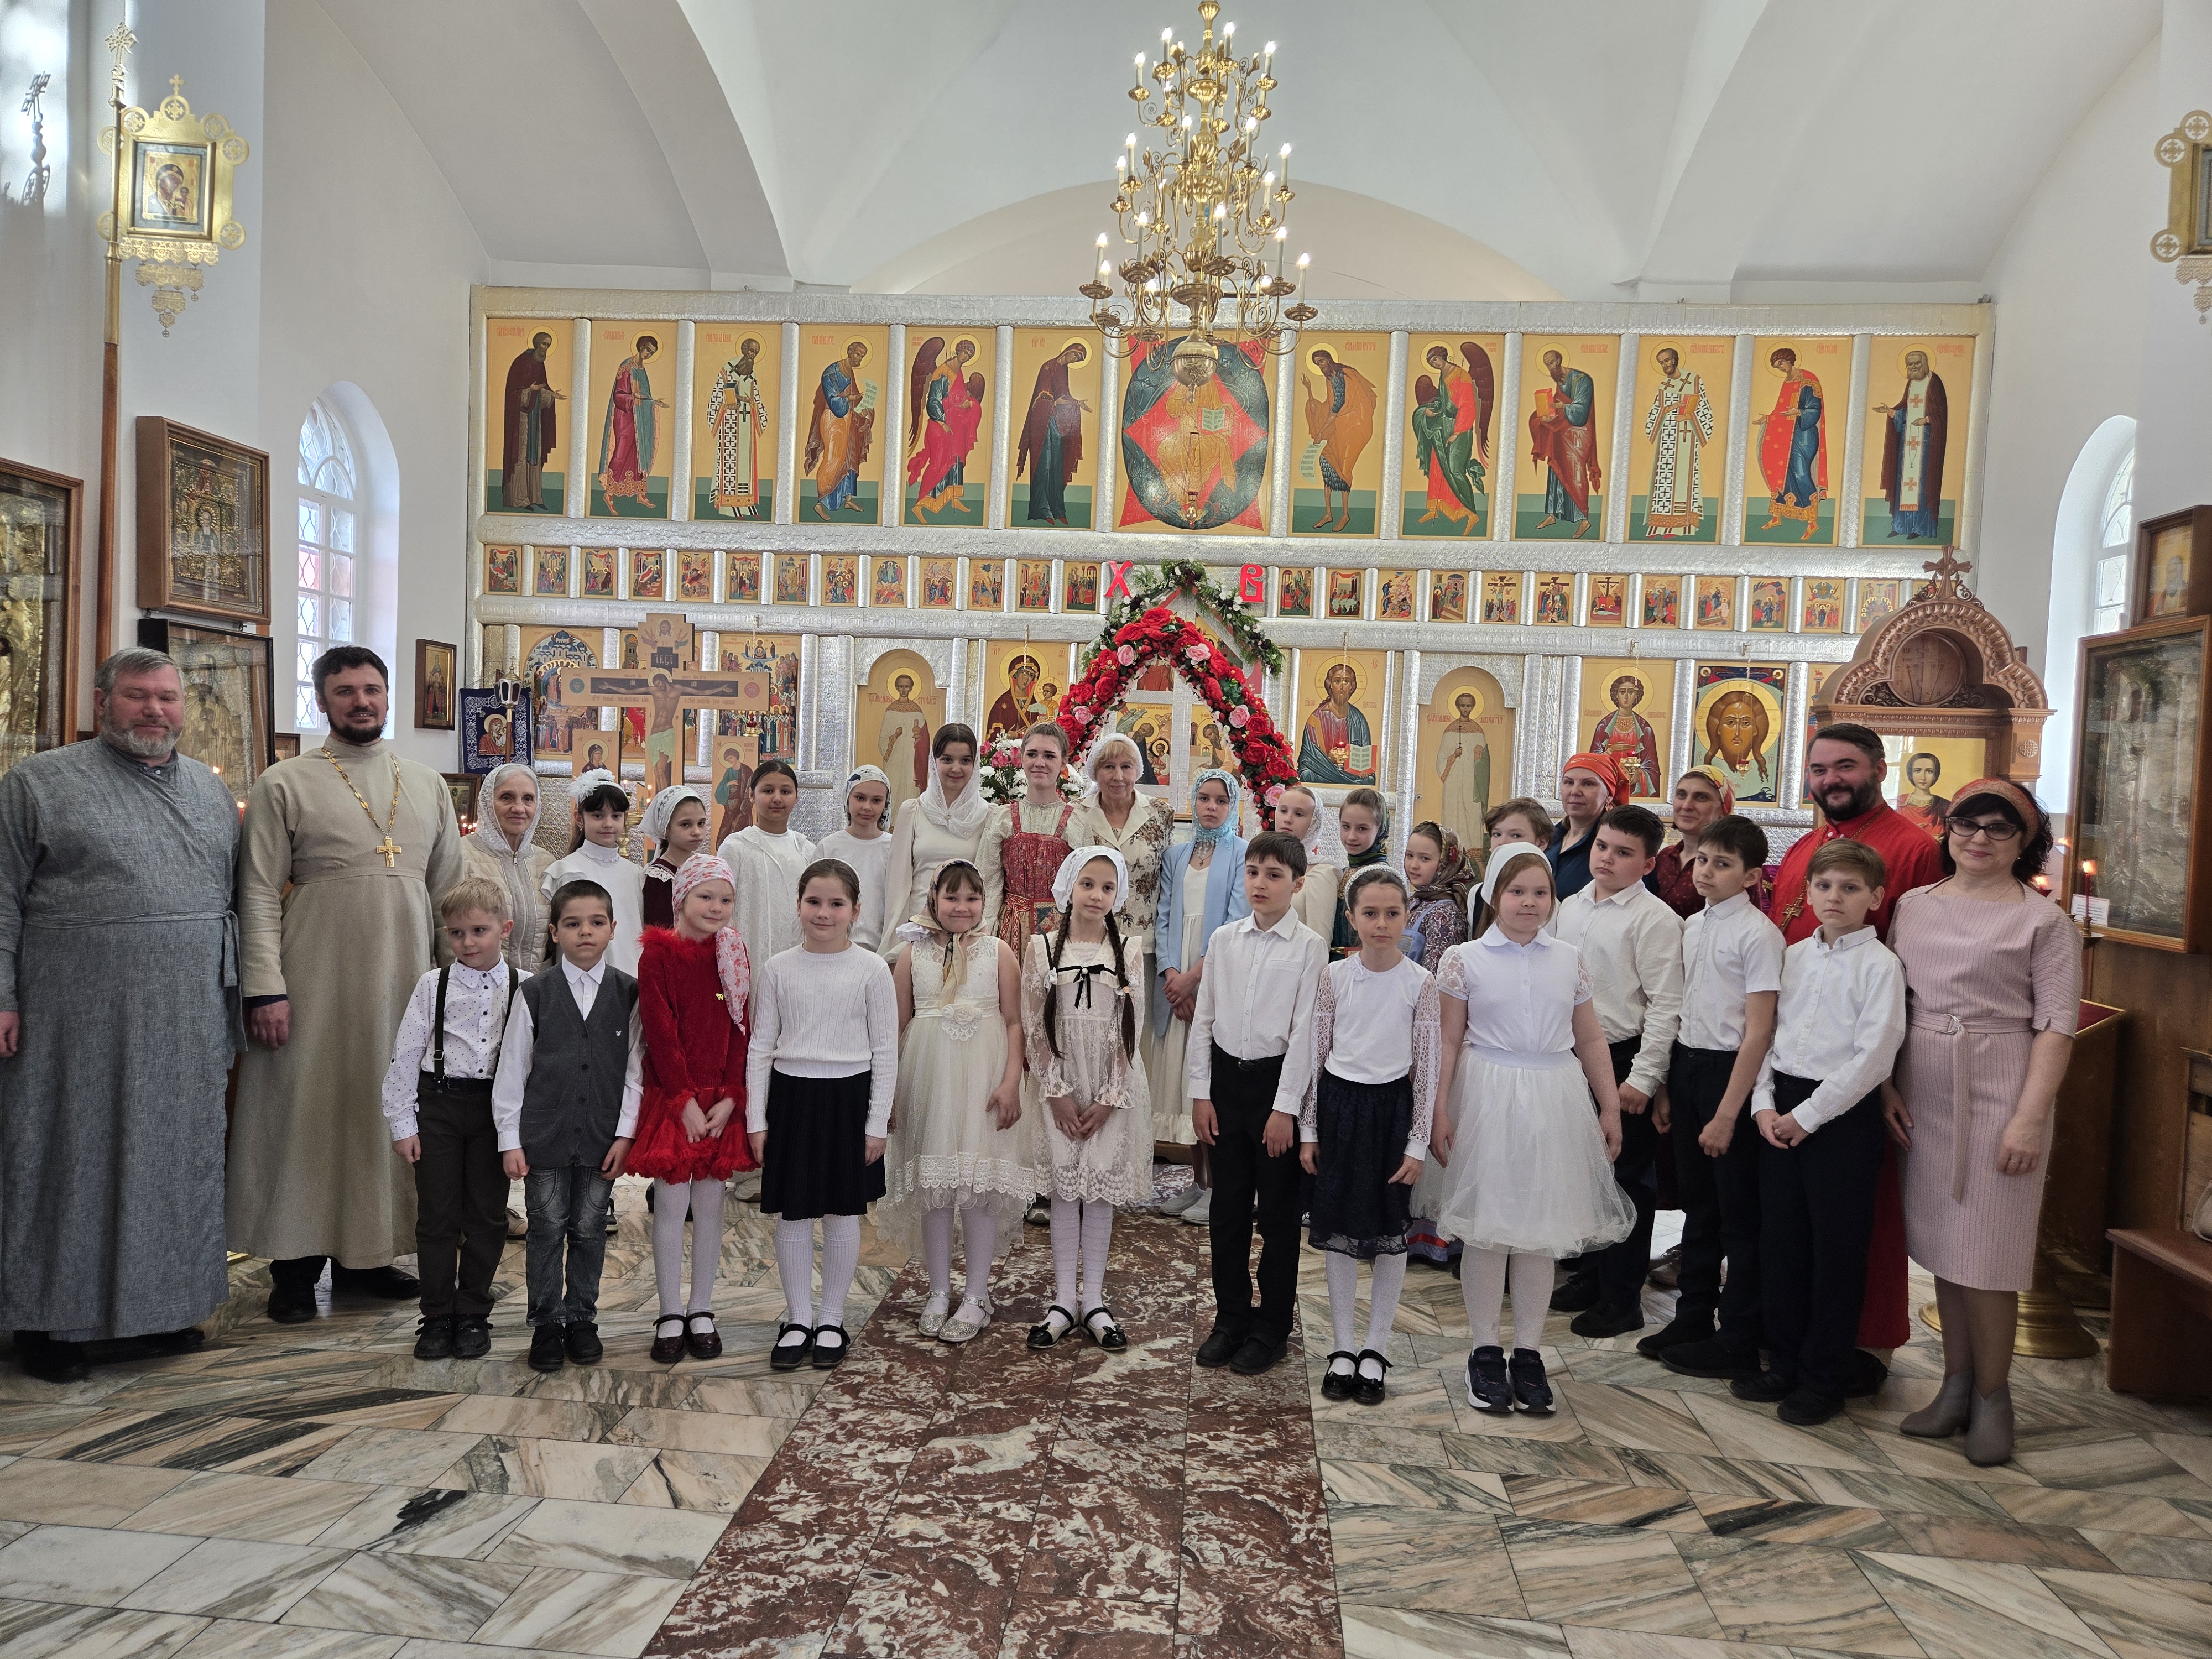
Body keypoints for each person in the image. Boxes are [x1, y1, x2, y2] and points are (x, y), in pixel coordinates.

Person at [0, 649, 242, 1382]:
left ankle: (160, 1309)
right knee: (67, 1160)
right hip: (73, 1018)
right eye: (138, 696)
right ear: (103, 701)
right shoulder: (39, 783)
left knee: (175, 1162)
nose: (155, 710)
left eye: (168, 697)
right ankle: (49, 1322)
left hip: (187, 1017)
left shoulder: (209, 790)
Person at [233, 646, 466, 1323]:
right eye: (344, 691)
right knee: (307, 1113)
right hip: (313, 981)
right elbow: (257, 892)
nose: (360, 701)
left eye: (371, 689)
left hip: (406, 983)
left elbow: (452, 896)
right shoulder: (285, 782)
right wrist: (264, 987)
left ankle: (368, 1257)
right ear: (323, 701)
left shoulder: (425, 784)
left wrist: (458, 989)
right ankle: (294, 1267)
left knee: (384, 1110)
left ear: (388, 697)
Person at [1888, 781, 2079, 1465]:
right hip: (1923, 1090)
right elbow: (1890, 1001)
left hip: (2001, 1088)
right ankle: (1956, 1385)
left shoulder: (2043, 922)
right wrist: (1885, 1086)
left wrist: (2029, 1119)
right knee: (1947, 1248)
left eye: (2000, 829)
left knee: (1989, 1255)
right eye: (1967, 824)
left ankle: (1995, 1397)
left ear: (2024, 842)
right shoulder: (1914, 905)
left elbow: (2056, 1026)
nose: (1979, 839)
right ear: (1948, 830)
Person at [1432, 850, 1634, 1413]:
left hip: (1554, 1097)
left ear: (1552, 899)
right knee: (1489, 1228)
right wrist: (1438, 1110)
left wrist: (1609, 1106)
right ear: (1495, 896)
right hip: (1487, 1096)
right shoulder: (1464, 959)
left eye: (1540, 893)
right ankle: (1483, 1352)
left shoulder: (1568, 959)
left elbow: (1589, 1037)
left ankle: (1528, 1352)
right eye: (1517, 891)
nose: (1529, 903)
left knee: (1542, 1229)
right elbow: (1447, 1040)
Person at [1739, 840, 1907, 1425]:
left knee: (1836, 1253)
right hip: (1780, 1107)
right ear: (1807, 891)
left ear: (1876, 898)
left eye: (1850, 888)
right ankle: (1783, 1362)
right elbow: (1766, 1035)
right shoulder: (1792, 956)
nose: (1834, 897)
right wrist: (1763, 1105)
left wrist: (1808, 1117)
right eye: (1824, 886)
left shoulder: (1881, 966)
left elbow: (1874, 1057)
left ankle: (1822, 1376)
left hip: (1841, 1119)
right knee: (1782, 1244)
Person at [1640, 815, 1784, 1380]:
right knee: (1697, 1207)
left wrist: (1728, 1114)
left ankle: (1738, 1336)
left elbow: (1759, 1032)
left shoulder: (1758, 935)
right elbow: (1682, 1010)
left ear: (1750, 876)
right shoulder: (1694, 926)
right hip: (1689, 1066)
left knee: (1736, 1216)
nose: (1706, 871)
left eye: (1722, 864)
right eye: (1702, 860)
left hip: (1733, 1075)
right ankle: (1692, 1317)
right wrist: (1666, 1088)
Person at [1185, 830, 1326, 1374]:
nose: (1260, 883)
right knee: (1227, 1209)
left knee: (1278, 1215)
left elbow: (1306, 1033)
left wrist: (1285, 1108)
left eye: (1274, 875)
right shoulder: (1225, 940)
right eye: (1252, 872)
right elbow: (1205, 1018)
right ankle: (1231, 1319)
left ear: (1297, 883)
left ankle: (1271, 1329)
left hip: (1274, 1087)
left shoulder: (1309, 947)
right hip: (1226, 1084)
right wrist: (1201, 1093)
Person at [749, 860, 898, 1372]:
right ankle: (798, 1319)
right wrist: (756, 1120)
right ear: (798, 905)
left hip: (849, 1100)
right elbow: (760, 1047)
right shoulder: (778, 968)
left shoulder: (872, 969)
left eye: (837, 904)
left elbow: (885, 1051)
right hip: (791, 1098)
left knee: (842, 1212)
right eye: (814, 901)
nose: (824, 913)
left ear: (855, 911)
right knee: (793, 1213)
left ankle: (831, 1317)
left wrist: (876, 1123)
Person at [492, 879, 643, 1374]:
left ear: (613, 928)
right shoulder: (535, 993)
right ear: (555, 932)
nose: (586, 932)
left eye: (597, 923)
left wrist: (625, 1134)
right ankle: (546, 1323)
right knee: (546, 1228)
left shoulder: (628, 993)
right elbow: (513, 1069)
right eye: (573, 924)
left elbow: (636, 1071)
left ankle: (581, 1318)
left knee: (590, 1229)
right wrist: (510, 1140)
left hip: (601, 1137)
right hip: (545, 1138)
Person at [1302, 865, 1439, 1405]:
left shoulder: (1420, 983)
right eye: (1370, 913)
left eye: (1392, 913)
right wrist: (1309, 1129)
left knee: (1389, 1230)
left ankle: (1375, 1348)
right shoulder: (1334, 977)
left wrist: (1417, 1142)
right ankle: (1342, 1346)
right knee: (1338, 1228)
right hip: (1340, 1108)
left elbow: (1426, 1068)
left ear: (1407, 917)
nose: (1382, 923)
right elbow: (1316, 1055)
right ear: (1352, 918)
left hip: (1391, 1113)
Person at [884, 861, 1032, 1344]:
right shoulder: (911, 954)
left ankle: (976, 1295)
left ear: (984, 902)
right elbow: (897, 1026)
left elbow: (1015, 1021)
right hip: (928, 1079)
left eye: (971, 898)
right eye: (951, 897)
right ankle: (938, 1289)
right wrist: (889, 1093)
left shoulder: (999, 951)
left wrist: (1010, 1082)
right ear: (933, 899)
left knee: (977, 1185)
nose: (962, 907)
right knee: (936, 1185)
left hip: (983, 1078)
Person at [1550, 806, 1684, 1337]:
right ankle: (1592, 1274)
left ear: (1649, 864)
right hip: (1572, 1056)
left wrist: (1644, 1080)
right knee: (1587, 1175)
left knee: (1627, 1179)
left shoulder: (1655, 920)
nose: (1606, 858)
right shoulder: (1571, 906)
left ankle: (1623, 1297)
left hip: (1623, 1057)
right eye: (1603, 846)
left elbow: (1665, 1005)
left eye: (1624, 853)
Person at [382, 877, 523, 1362]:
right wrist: (403, 1123)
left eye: (479, 931)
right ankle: (438, 1314)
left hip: (494, 1111)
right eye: (457, 933)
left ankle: (474, 1312)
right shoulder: (432, 984)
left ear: (505, 928)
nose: (467, 942)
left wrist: (519, 1131)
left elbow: (531, 1061)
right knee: (437, 1216)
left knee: (487, 1216)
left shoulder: (524, 986)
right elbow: (406, 1053)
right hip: (438, 1106)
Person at [1022, 849, 1151, 1352]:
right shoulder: (1040, 948)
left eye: (1107, 887)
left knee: (1098, 1190)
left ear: (1118, 895)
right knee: (1064, 1190)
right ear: (1069, 888)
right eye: (1088, 884)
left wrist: (1111, 1096)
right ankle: (1062, 1301)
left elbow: (1132, 1028)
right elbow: (1034, 1026)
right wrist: (1055, 1092)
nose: (1097, 896)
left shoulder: (1129, 950)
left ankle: (1093, 1301)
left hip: (1109, 1085)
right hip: (1060, 1081)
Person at [628, 854, 752, 1365]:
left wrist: (731, 1095)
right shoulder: (657, 955)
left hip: (718, 1101)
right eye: (706, 896)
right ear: (681, 899)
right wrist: (682, 1101)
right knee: (672, 1204)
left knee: (711, 1206)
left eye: (726, 899)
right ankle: (670, 1311)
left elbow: (742, 1026)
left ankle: (701, 1308)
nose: (716, 907)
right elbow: (660, 1030)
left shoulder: (733, 952)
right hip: (675, 1099)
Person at [1152, 771, 1253, 1222]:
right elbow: (1163, 917)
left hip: (1212, 973)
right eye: (1204, 798)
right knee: (1183, 1088)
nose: (1211, 807)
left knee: (1210, 1085)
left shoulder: (1242, 853)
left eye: (1221, 800)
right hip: (1176, 978)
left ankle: (1219, 1189)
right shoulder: (1176, 854)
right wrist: (1172, 976)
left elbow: (1234, 921)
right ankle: (1197, 1183)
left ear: (1232, 807)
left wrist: (1195, 978)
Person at [880, 726, 989, 956]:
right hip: (916, 931)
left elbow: (988, 883)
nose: (956, 768)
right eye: (947, 759)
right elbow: (898, 883)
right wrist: (894, 938)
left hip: (968, 933)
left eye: (965, 760)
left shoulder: (988, 816)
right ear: (934, 761)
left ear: (975, 764)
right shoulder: (913, 810)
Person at [718, 759, 818, 990]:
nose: (777, 798)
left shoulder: (806, 850)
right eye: (768, 791)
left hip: (798, 953)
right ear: (752, 795)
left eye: (786, 791)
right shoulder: (736, 846)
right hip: (751, 952)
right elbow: (723, 905)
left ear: (796, 796)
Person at [980, 722, 1077, 961]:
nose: (1039, 763)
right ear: (1022, 758)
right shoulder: (1002, 818)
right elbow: (988, 884)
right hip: (1009, 930)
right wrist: (983, 939)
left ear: (1063, 762)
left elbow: (1082, 887)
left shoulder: (1076, 821)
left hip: (1059, 934)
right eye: (1032, 754)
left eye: (1049, 756)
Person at [541, 771, 645, 977]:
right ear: (580, 819)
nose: (608, 824)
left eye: (616, 816)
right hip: (584, 976)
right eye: (598, 816)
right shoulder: (566, 870)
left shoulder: (636, 873)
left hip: (633, 976)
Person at [459, 763, 554, 972]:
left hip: (534, 984)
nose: (519, 808)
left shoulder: (547, 862)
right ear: (488, 802)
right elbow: (445, 931)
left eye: (528, 799)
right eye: (507, 797)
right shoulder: (461, 855)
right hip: (476, 984)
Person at [1646, 766, 1769, 920]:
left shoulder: (1732, 863)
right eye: (1681, 795)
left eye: (1701, 797)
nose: (1686, 806)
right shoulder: (1665, 856)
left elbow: (1746, 921)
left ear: (1724, 809)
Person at [1871, 349, 1948, 539]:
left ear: (1925, 363)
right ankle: (1901, 526)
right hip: (1907, 443)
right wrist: (1891, 412)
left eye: (1917, 363)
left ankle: (1920, 528)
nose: (1914, 367)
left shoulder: (1934, 383)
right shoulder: (1911, 383)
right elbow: (1906, 410)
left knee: (1922, 484)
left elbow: (1941, 415)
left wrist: (1927, 420)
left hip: (1927, 444)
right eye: (1910, 364)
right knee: (1903, 482)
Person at [1752, 347, 1827, 539]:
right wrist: (1768, 418)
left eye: (1781, 364)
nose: (1781, 368)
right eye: (1777, 367)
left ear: (1790, 360)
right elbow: (1782, 410)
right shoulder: (1787, 382)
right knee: (1782, 473)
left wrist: (1799, 412)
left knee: (1801, 474)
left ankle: (1812, 522)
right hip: (1786, 434)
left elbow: (1815, 410)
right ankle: (1777, 516)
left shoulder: (1808, 380)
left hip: (1805, 435)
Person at [820, 765, 895, 952]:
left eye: (876, 800)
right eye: (860, 798)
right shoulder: (829, 847)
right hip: (834, 945)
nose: (867, 807)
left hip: (881, 948)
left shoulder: (894, 847)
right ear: (847, 798)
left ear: (886, 804)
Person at [1641, 346, 1713, 538]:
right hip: (1667, 438)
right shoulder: (1664, 385)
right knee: (1663, 480)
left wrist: (1688, 417)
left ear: (1674, 360)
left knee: (1682, 480)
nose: (1664, 365)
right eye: (1661, 363)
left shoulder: (1694, 380)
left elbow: (1705, 409)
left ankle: (1682, 527)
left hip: (1686, 438)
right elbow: (1655, 411)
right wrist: (1670, 408)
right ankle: (1660, 526)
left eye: (1666, 361)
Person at [1528, 348, 1602, 535]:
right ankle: (1552, 514)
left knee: (1576, 474)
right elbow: (1557, 405)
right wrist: (1546, 416)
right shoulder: (1560, 380)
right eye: (1547, 365)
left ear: (1560, 360)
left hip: (1578, 433)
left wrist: (1563, 406)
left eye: (1552, 363)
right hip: (1561, 432)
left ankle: (1584, 519)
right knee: (1555, 471)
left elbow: (1581, 411)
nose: (1550, 367)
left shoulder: (1582, 379)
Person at [1017, 340, 1089, 525]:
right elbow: (1042, 397)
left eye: (1078, 359)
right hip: (1043, 423)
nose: (1075, 359)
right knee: (1045, 464)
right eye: (1075, 355)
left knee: (1057, 465)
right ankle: (1042, 510)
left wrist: (1076, 404)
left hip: (1056, 423)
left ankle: (1058, 509)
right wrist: (1056, 403)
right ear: (1068, 351)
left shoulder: (1064, 371)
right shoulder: (1048, 367)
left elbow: (1065, 396)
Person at [1548, 753, 1627, 902]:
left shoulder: (1617, 848)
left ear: (1609, 795)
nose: (1575, 791)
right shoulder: (1546, 838)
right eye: (1569, 782)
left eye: (1588, 784)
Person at [502, 331, 564, 512]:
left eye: (548, 345)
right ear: (536, 344)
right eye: (544, 344)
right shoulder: (521, 363)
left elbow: (543, 388)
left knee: (534, 455)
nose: (546, 348)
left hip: (535, 417)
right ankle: (518, 498)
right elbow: (513, 393)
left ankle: (534, 496)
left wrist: (551, 395)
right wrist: (529, 391)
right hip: (521, 418)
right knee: (521, 454)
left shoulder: (540, 365)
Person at [1400, 821, 1474, 972]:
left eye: (1425, 858)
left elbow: (1435, 979)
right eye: (1410, 856)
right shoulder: (1415, 900)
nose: (1414, 865)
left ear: (1446, 863)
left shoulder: (1445, 914)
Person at [1327, 787, 1390, 960]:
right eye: (1346, 827)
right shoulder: (1342, 872)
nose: (1351, 836)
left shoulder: (1382, 879)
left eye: (1362, 829)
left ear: (1380, 829)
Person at [1274, 783, 1341, 944]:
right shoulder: (1266, 863)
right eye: (1283, 811)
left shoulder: (1322, 873)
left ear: (1314, 823)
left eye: (1299, 814)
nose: (1288, 819)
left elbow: (1320, 940)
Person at [640, 783, 712, 931]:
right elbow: (661, 932)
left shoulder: (703, 867)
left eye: (701, 823)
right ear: (666, 829)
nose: (697, 832)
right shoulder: (660, 877)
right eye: (686, 825)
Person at [1435, 694, 1493, 852]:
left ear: (1473, 707)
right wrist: (1454, 756)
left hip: (1472, 784)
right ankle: (1452, 851)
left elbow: (1486, 762)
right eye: (1463, 706)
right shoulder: (1449, 732)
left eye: (1468, 706)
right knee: (1454, 813)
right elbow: (1440, 761)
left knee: (1472, 813)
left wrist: (1479, 757)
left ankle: (1475, 853)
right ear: (1458, 707)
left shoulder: (1479, 732)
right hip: (1453, 783)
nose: (1465, 709)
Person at [1590, 675, 1663, 800]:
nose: (1626, 697)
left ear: (1636, 696)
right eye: (1622, 692)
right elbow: (1592, 762)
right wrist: (1611, 750)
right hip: (1608, 786)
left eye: (1631, 692)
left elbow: (1652, 767)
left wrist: (1640, 773)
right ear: (1616, 695)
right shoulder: (1604, 726)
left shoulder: (1645, 729)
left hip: (1634, 790)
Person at [1895, 752, 1950, 841]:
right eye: (1917, 771)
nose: (1923, 777)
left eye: (1929, 771)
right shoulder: (1899, 803)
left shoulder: (1945, 806)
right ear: (1911, 774)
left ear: (1935, 775)